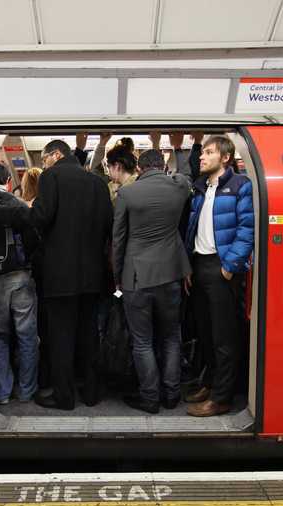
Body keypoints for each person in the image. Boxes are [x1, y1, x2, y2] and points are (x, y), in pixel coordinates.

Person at [0, 140, 113, 410]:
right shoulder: (98, 184)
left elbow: (39, 217)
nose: (44, 164)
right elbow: (107, 226)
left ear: (55, 155)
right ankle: (91, 393)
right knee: (90, 334)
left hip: (61, 275)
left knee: (61, 337)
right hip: (94, 274)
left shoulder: (52, 177)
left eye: (44, 159)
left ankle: (64, 396)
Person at [113, 149, 192, 413]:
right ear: (162, 166)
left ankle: (150, 398)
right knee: (171, 336)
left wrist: (117, 276)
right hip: (171, 273)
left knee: (142, 340)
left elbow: (119, 239)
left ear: (140, 167)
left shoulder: (127, 193)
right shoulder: (178, 188)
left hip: (137, 277)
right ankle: (171, 395)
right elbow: (184, 178)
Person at [184, 136, 254, 417]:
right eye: (202, 152)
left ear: (225, 158)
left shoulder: (239, 186)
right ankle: (210, 384)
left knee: (224, 337)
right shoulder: (200, 188)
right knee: (205, 332)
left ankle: (222, 398)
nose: (202, 157)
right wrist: (189, 266)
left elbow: (247, 228)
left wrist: (231, 264)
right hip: (199, 265)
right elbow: (193, 230)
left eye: (209, 152)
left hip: (222, 267)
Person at [0, 163, 39, 405]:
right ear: (8, 180)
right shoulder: (16, 204)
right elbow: (32, 239)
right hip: (20, 277)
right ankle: (27, 390)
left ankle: (1, 392)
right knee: (27, 335)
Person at [106, 137, 138, 203]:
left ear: (117, 166)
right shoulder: (139, 182)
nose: (108, 171)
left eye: (109, 166)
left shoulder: (125, 191)